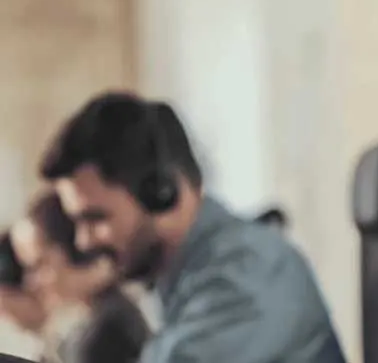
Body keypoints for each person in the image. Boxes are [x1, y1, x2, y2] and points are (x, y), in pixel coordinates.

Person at [38, 92, 347, 363]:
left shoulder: (248, 270)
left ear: (161, 192)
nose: (83, 241)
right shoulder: (188, 282)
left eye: (95, 218)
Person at [0, 191, 149, 363]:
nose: (31, 282)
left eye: (39, 264)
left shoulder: (104, 331)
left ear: (76, 248)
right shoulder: (99, 319)